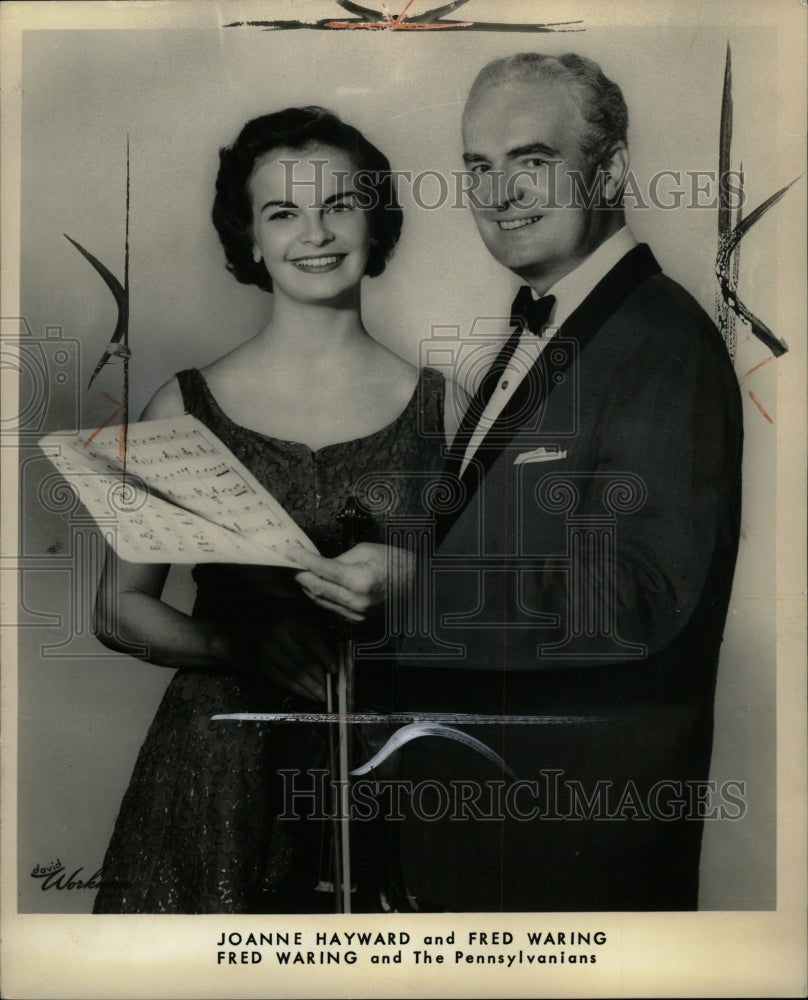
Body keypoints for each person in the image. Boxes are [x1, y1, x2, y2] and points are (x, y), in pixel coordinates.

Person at [293, 53, 744, 911]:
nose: (501, 196)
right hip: (480, 835)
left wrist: (418, 587)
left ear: (607, 169)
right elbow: (507, 537)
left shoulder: (662, 340)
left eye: (531, 161)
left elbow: (640, 594)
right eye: (478, 169)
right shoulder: (554, 324)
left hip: (569, 855)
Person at [91, 106, 455, 914]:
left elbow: (485, 600)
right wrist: (234, 641)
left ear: (376, 220)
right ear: (250, 239)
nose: (315, 233)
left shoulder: (447, 407)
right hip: (215, 776)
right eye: (283, 212)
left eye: (339, 205)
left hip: (389, 767)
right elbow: (119, 609)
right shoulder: (179, 407)